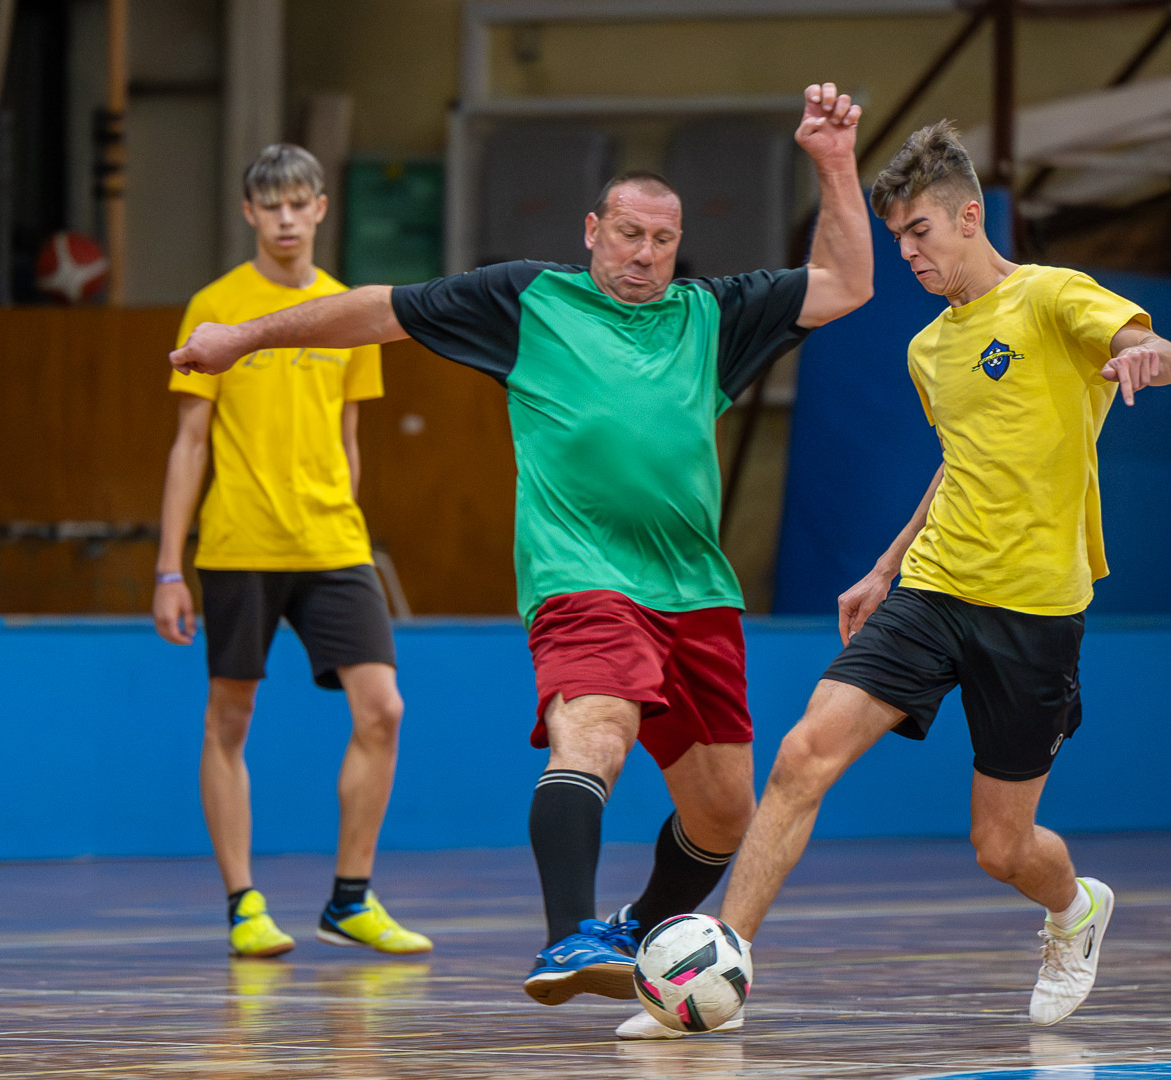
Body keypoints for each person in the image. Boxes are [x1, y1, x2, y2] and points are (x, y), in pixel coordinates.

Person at [168, 86, 873, 1030]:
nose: (643, 254)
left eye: (661, 240)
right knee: (597, 732)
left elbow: (846, 283)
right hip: (582, 579)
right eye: (627, 234)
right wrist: (244, 340)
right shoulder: (529, 298)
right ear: (592, 231)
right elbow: (376, 311)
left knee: (721, 813)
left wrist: (833, 161)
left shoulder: (713, 315)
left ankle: (636, 934)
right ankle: (568, 934)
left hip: (698, 591)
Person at [713, 121, 1171, 1030]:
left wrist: (1143, 357)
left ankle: (1074, 909)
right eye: (896, 237)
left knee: (1001, 848)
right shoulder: (927, 349)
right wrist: (884, 567)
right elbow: (959, 464)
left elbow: (1161, 350)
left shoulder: (1051, 296)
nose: (907, 252)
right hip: (932, 590)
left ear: (969, 217)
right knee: (803, 754)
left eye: (919, 231)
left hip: (1034, 608)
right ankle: (722, 967)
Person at [154, 143, 430, 959]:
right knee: (229, 716)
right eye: (269, 205)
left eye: (297, 203)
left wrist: (347, 515)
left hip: (332, 541)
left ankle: (350, 900)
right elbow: (189, 443)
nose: (284, 218)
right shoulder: (215, 307)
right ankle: (243, 903)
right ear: (249, 213)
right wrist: (169, 567)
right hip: (240, 539)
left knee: (383, 708)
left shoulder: (349, 311)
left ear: (319, 209)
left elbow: (350, 435)